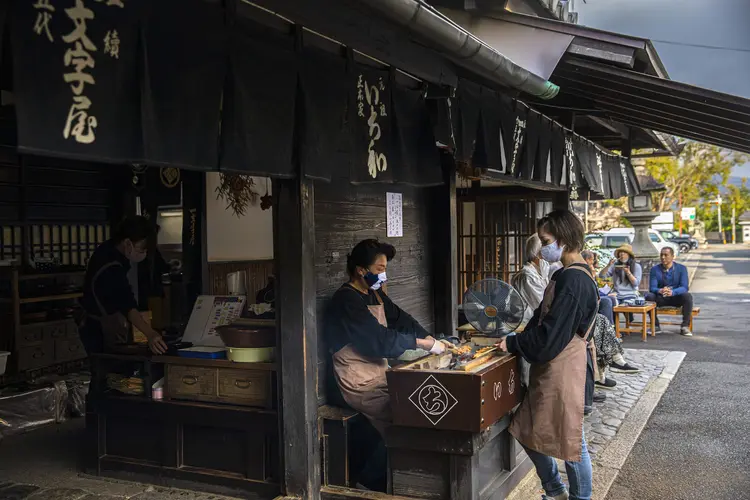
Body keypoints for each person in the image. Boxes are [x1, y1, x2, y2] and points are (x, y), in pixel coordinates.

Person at [497, 210, 598, 500]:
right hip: (553, 367)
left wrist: (515, 344)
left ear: (564, 240)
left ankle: (580, 498)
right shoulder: (564, 275)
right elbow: (540, 319)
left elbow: (550, 336)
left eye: (546, 240)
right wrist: (515, 339)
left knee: (571, 442)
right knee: (524, 429)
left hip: (565, 369)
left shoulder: (574, 281)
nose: (543, 247)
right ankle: (555, 490)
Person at [325, 239, 444, 437]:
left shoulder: (375, 294)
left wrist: (429, 337)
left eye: (385, 269)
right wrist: (423, 344)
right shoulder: (346, 300)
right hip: (357, 383)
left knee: (417, 399)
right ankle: (400, 465)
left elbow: (401, 319)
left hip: (380, 375)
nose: (383, 274)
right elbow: (379, 340)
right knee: (404, 414)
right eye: (380, 268)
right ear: (361, 270)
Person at [79, 216, 167, 355]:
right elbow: (127, 303)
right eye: (141, 250)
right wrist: (150, 334)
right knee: (108, 369)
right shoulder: (110, 266)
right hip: (98, 328)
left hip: (99, 323)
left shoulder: (109, 249)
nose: (143, 254)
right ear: (127, 242)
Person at [646, 247, 694, 336]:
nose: (663, 257)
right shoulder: (655, 269)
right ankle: (655, 325)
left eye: (666, 255)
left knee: (687, 296)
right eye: (661, 255)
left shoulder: (681, 268)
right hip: (661, 298)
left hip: (675, 297)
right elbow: (652, 288)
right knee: (649, 296)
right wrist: (660, 290)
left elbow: (684, 287)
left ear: (672, 256)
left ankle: (685, 326)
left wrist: (673, 292)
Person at [512, 234, 550, 323]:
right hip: (525, 322)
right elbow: (541, 303)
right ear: (537, 253)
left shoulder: (536, 272)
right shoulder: (528, 275)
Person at [582, 250, 616, 323]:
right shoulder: (584, 269)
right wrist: (592, 276)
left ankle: (613, 327)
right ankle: (607, 330)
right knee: (607, 301)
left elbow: (599, 281)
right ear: (587, 260)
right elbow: (589, 289)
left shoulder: (590, 269)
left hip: (595, 294)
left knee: (612, 298)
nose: (593, 262)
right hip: (587, 298)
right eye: (593, 259)